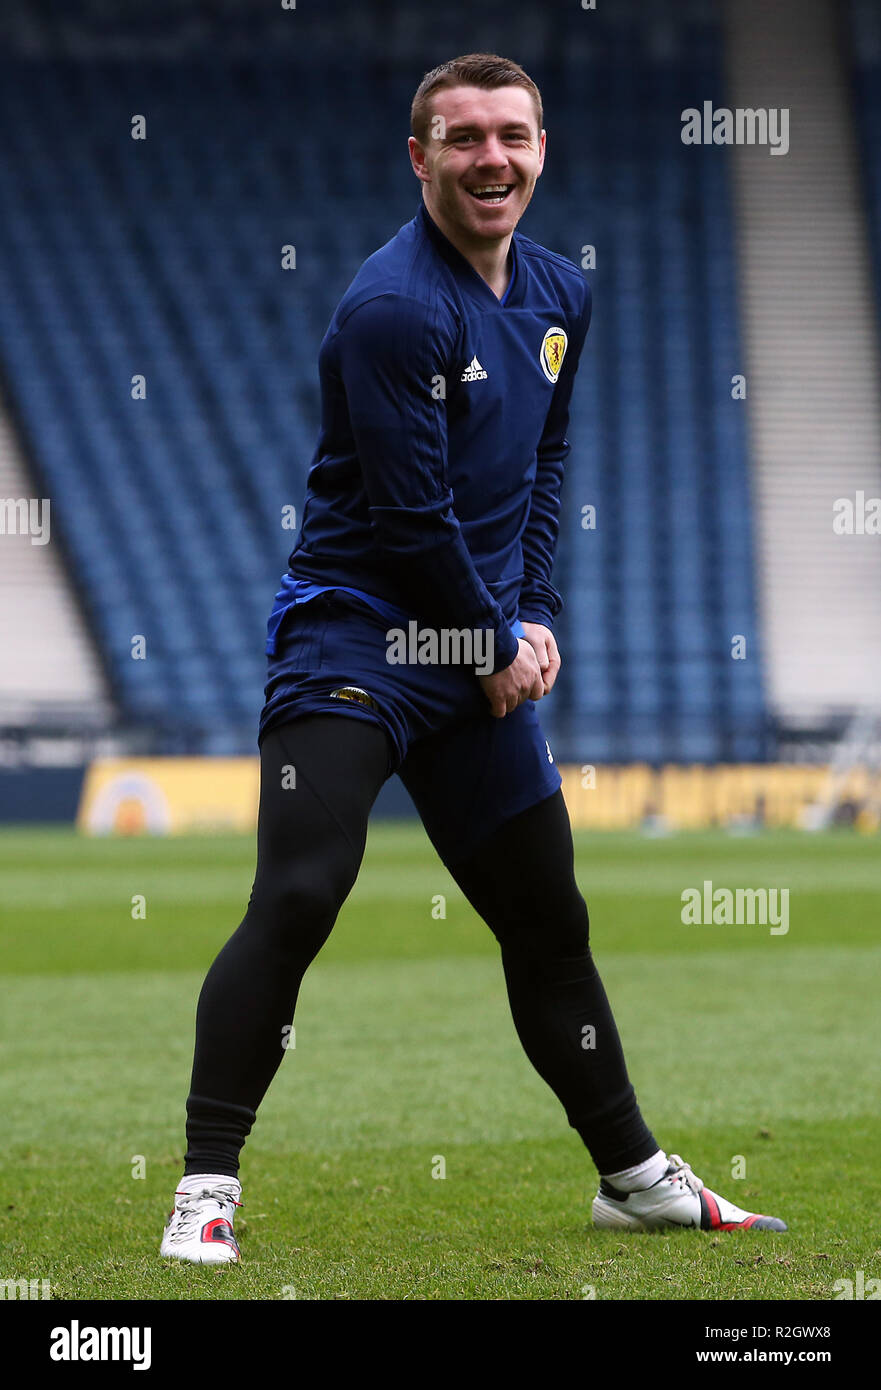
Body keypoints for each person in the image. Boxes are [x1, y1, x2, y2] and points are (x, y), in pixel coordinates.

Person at [160, 53, 786, 1264]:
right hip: (355, 635)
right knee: (298, 891)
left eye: (512, 135)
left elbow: (543, 464)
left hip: (477, 651)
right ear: (420, 158)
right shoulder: (394, 307)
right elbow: (410, 515)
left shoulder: (559, 292)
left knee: (548, 921)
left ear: (542, 147)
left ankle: (632, 1175)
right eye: (462, 139)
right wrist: (492, 639)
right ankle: (201, 1190)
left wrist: (533, 612)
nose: (490, 158)